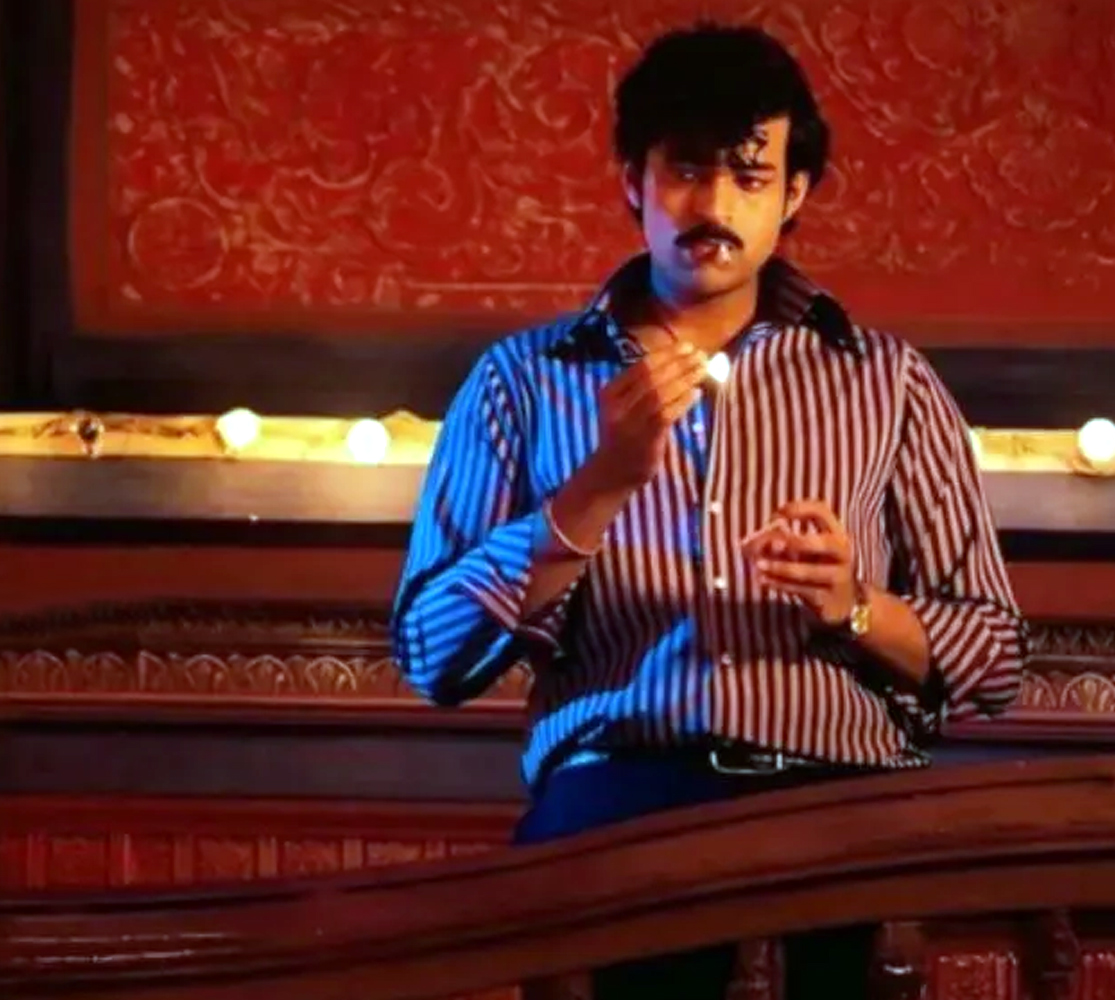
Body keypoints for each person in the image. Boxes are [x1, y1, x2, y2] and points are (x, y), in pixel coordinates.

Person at [392, 21, 1027, 1000]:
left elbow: (996, 658)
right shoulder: (520, 381)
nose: (715, 207)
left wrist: (856, 606)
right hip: (619, 800)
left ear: (794, 194)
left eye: (749, 175)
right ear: (633, 183)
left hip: (838, 800)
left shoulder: (889, 381)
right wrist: (598, 486)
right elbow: (430, 655)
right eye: (686, 171)